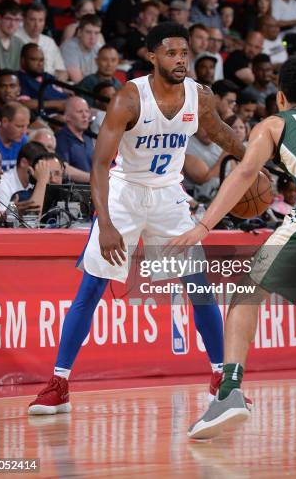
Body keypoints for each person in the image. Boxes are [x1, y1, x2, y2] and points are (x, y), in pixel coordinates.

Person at [28, 22, 246, 415]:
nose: (180, 60)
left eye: (184, 53)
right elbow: (98, 166)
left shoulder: (200, 96)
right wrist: (107, 224)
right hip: (125, 194)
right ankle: (58, 383)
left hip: (168, 196)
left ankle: (219, 378)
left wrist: (251, 157)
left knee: (199, 286)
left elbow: (221, 133)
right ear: (152, 56)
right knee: (91, 289)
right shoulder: (130, 98)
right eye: (171, 53)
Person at [169, 56, 296, 438]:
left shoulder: (273, 123)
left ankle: (229, 393)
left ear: (279, 96)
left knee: (247, 291)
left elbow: (246, 173)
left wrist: (202, 225)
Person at [0, 140, 47, 213]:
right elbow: (1, 220)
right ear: (24, 162)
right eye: (39, 166)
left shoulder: (35, 181)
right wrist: (41, 181)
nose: (41, 172)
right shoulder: (1, 183)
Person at [15, 3, 66, 77]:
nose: (37, 25)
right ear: (24, 19)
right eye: (32, 20)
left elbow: (62, 71)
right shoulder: (14, 38)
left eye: (41, 20)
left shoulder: (50, 42)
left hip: (49, 83)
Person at [18, 43, 67, 114]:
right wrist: (57, 104)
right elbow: (24, 104)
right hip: (48, 116)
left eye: (41, 60)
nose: (40, 64)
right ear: (23, 61)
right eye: (34, 60)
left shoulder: (47, 76)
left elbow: (61, 91)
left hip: (67, 110)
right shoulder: (20, 79)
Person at [55, 96, 93, 180]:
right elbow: (63, 168)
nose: (85, 115)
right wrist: (92, 179)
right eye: (80, 112)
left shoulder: (88, 139)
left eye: (87, 111)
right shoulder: (61, 138)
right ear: (67, 117)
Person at [60, 14, 102, 82]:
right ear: (79, 32)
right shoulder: (69, 47)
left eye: (96, 33)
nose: (92, 37)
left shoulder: (99, 48)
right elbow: (79, 82)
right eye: (88, 32)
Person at [239, 54, 277, 119]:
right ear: (253, 70)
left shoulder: (273, 87)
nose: (265, 74)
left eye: (268, 70)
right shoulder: (247, 93)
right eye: (261, 70)